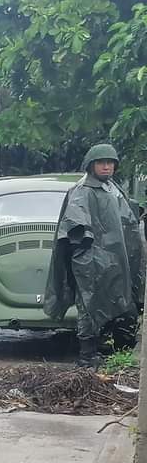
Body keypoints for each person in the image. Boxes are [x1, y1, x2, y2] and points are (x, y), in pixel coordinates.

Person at [45, 143, 145, 368]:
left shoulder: (112, 188)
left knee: (124, 304)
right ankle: (87, 354)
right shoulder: (82, 190)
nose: (107, 167)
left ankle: (120, 355)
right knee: (89, 304)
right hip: (92, 260)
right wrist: (89, 258)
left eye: (110, 163)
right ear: (91, 165)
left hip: (117, 260)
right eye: (102, 163)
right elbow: (75, 226)